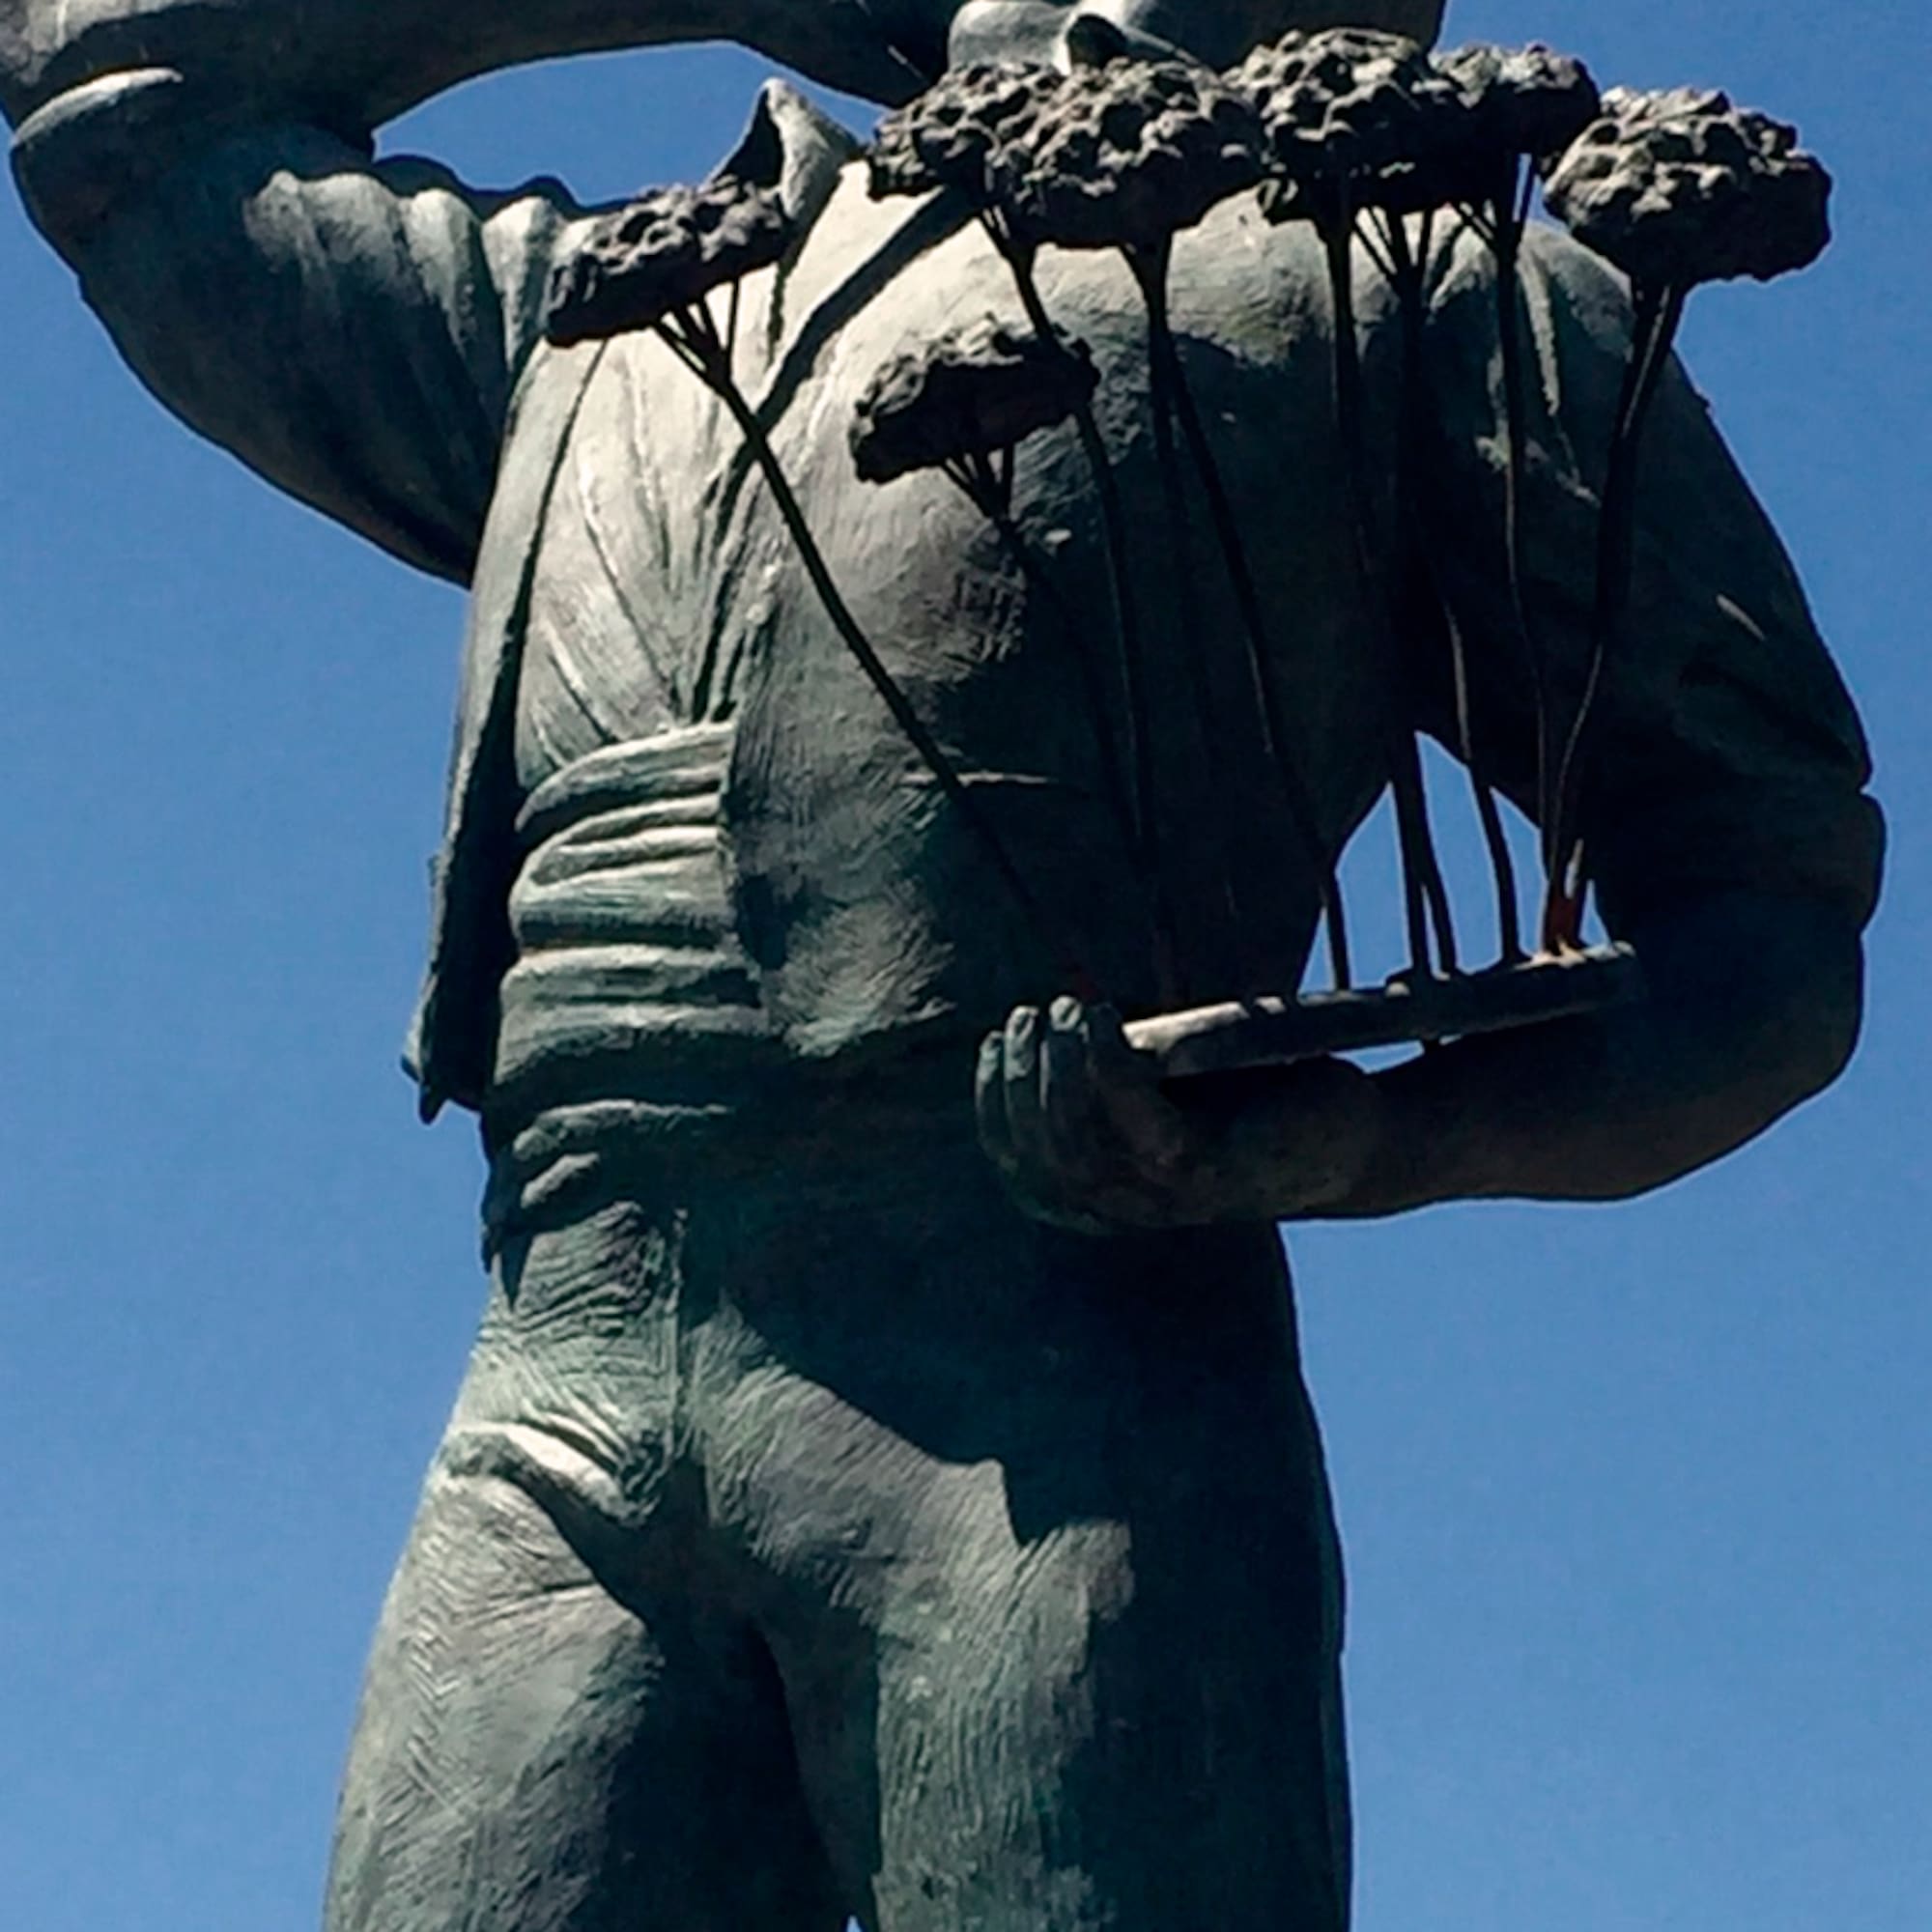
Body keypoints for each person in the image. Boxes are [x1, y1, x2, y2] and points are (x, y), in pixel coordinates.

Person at [4, 1, 1882, 1924]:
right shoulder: (619, 313)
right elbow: (114, 103)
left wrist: (1346, 1144)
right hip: (552, 1400)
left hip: (1043, 1407)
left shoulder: (1397, 266)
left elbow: (1764, 918)